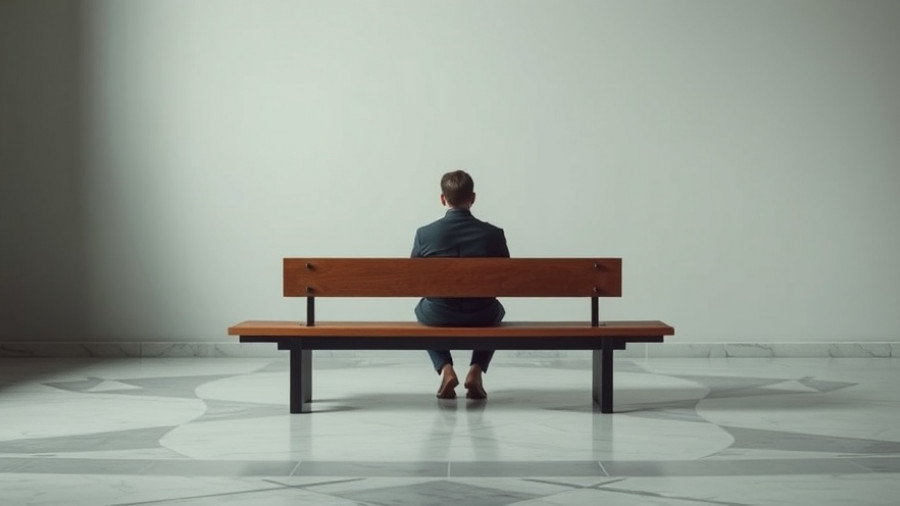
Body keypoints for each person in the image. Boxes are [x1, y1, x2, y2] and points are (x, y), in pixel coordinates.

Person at [411, 170, 510, 400]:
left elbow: (414, 280)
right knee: (497, 311)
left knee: (420, 310)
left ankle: (445, 369)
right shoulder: (493, 234)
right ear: (472, 198)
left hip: (439, 313)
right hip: (481, 313)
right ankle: (475, 371)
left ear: (443, 198)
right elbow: (506, 280)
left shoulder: (425, 234)